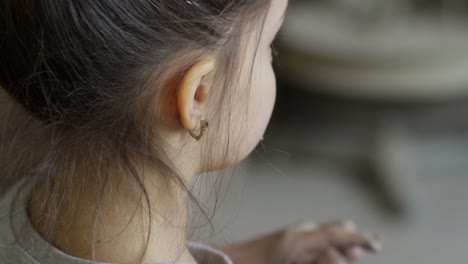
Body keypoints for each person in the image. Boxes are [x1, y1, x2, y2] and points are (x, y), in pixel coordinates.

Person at [0, 0, 381, 263]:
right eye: (268, 47)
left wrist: (242, 256)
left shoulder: (21, 209)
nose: (271, 62)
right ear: (198, 94)